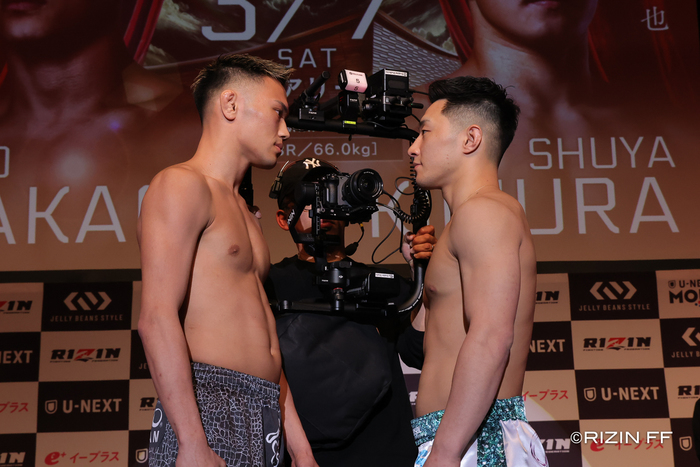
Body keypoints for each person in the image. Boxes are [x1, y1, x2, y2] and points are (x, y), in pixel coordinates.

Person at [137, 53, 292, 467]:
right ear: (230, 104)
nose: (285, 130)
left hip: (266, 408)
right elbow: (156, 317)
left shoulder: (244, 211)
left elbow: (265, 337)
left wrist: (302, 449)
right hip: (210, 403)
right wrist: (192, 442)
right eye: (278, 113)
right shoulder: (181, 185)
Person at [407, 77, 547, 467]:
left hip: (475, 442)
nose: (413, 148)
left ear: (470, 139)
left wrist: (446, 451)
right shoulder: (467, 220)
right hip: (459, 437)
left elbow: (491, 337)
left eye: (425, 133)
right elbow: (428, 344)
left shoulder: (483, 212)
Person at [263, 157, 436, 467]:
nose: (322, 207)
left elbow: (417, 352)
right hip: (307, 458)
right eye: (308, 198)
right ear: (283, 218)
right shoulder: (268, 284)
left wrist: (423, 274)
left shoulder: (381, 282)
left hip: (386, 454)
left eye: (331, 194)